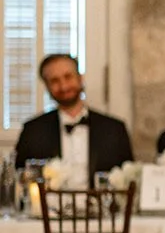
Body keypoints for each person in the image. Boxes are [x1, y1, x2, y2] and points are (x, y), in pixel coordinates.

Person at [14, 54, 132, 186]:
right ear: (47, 87)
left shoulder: (114, 129)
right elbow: (20, 178)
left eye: (68, 77)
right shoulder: (32, 131)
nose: (63, 86)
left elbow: (128, 181)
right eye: (54, 81)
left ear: (80, 78)